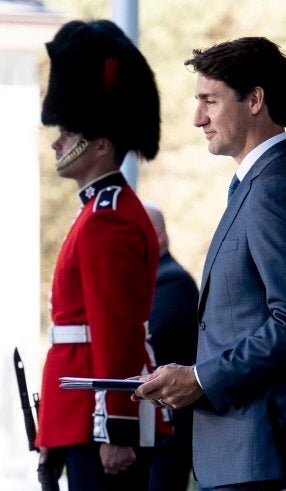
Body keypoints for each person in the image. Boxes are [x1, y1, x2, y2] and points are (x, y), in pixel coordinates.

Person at [133, 37, 286, 491]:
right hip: (242, 454)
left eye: (209, 100)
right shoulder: (255, 183)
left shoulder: (278, 186)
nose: (197, 118)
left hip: (264, 453)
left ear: (255, 100)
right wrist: (180, 375)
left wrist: (201, 378)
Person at [35, 19, 161, 490]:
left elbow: (114, 330)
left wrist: (117, 427)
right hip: (77, 414)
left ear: (102, 145)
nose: (57, 141)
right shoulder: (98, 213)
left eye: (69, 132)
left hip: (97, 420)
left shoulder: (108, 219)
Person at [143, 201, 199, 491]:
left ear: (160, 237)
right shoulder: (149, 280)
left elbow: (152, 343)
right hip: (154, 425)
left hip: (170, 426)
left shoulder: (172, 281)